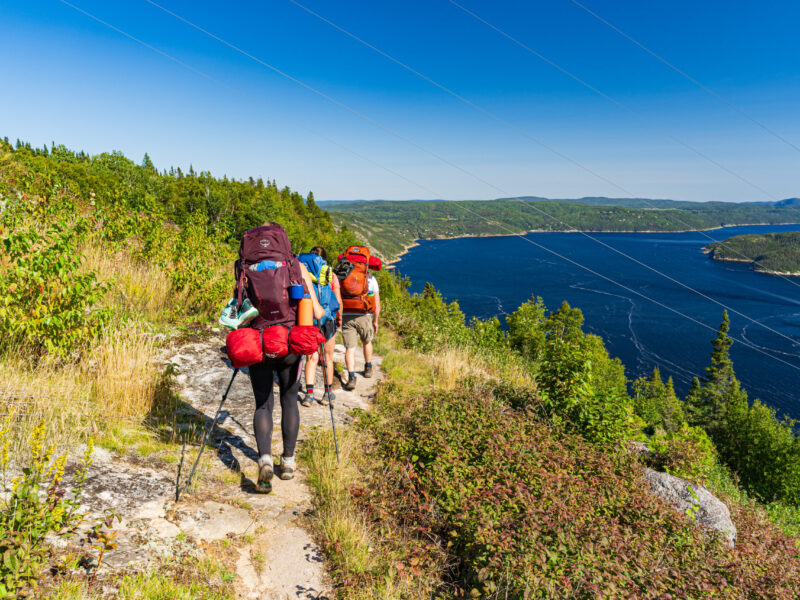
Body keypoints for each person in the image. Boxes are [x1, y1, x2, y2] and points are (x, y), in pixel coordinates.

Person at [244, 223, 324, 493]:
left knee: (262, 404)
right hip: (289, 341)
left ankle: (264, 458)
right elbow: (316, 311)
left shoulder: (245, 267)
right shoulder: (295, 265)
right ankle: (287, 462)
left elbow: (237, 306)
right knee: (290, 399)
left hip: (258, 340)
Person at [300, 246, 343, 407]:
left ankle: (309, 395)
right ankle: (327, 394)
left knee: (311, 357)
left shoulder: (302, 271)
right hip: (327, 318)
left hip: (308, 318)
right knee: (327, 358)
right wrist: (339, 318)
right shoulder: (330, 274)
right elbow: (338, 301)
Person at [341, 267, 380, 391]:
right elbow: (376, 304)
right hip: (364, 314)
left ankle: (351, 377)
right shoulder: (370, 279)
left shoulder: (343, 277)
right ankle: (368, 368)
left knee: (350, 348)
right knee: (366, 341)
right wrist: (375, 321)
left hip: (346, 315)